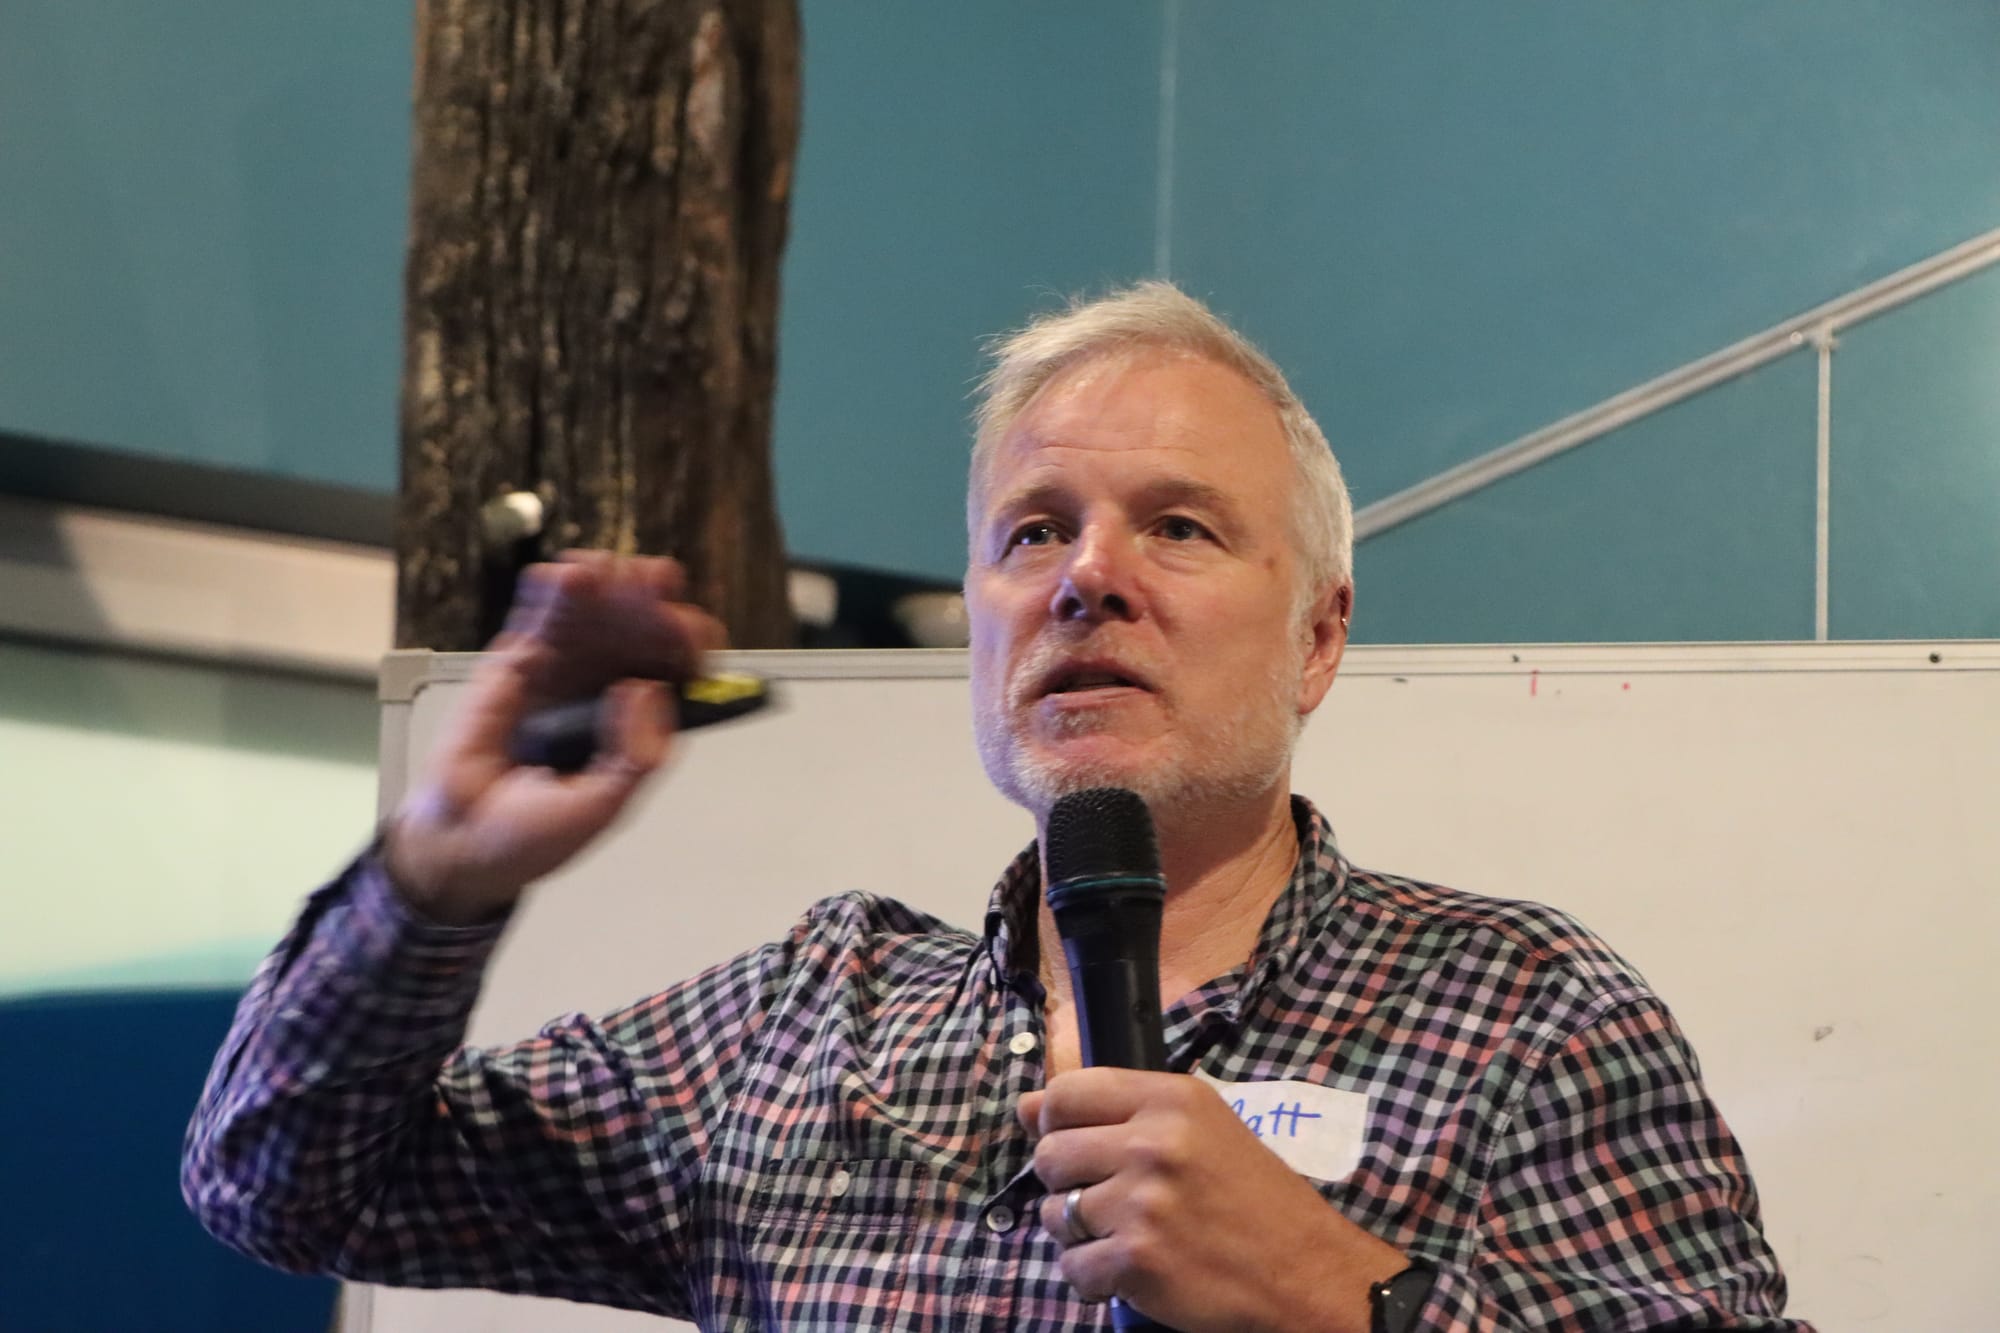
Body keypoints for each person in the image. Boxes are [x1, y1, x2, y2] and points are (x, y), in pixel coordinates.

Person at [184, 282, 1809, 1331]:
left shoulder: (1521, 1012)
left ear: (1318, 633)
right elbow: (281, 1182)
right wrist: (432, 885)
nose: (1086, 576)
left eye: (1176, 526)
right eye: (1033, 532)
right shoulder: (806, 1025)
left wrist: (1350, 1296)